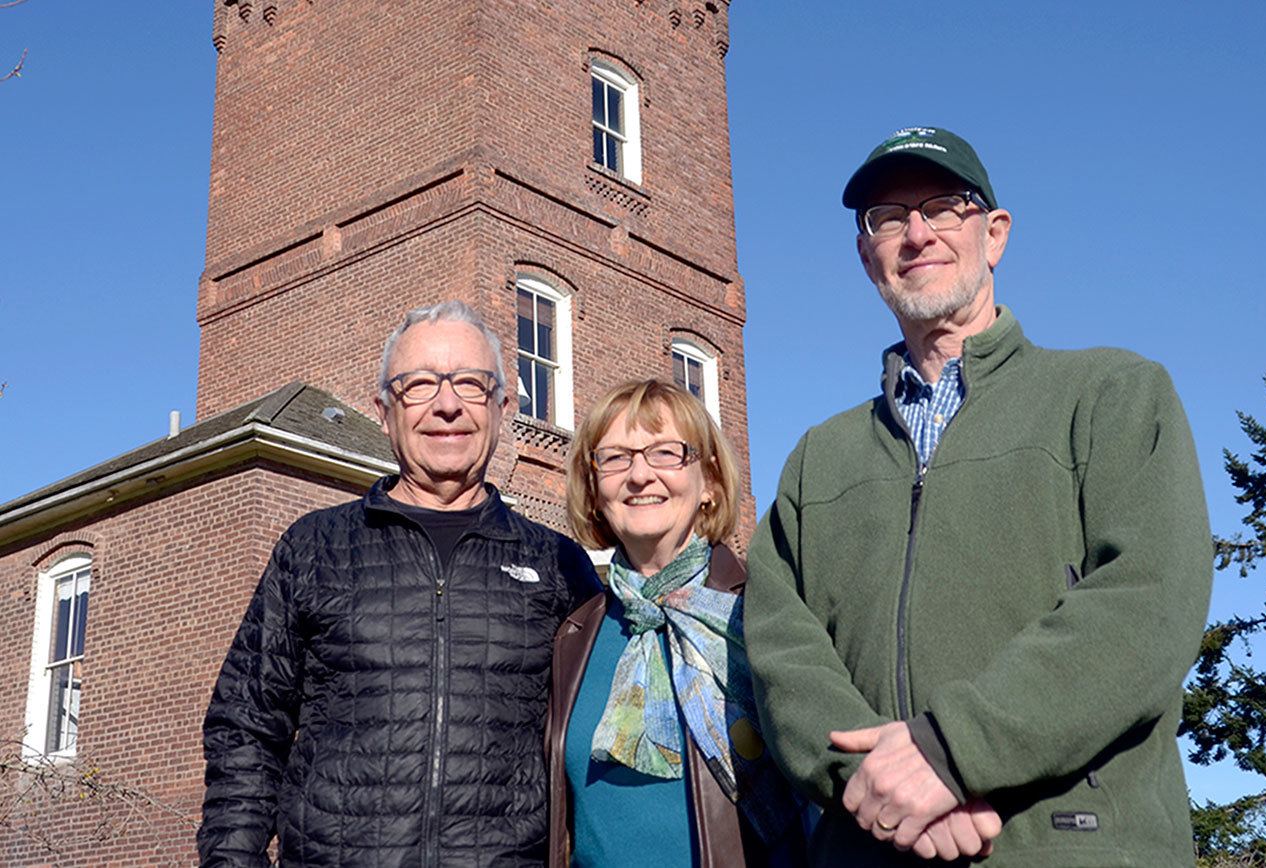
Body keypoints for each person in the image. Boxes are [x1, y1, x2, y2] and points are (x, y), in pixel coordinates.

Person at [745, 127, 1212, 866]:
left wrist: (950, 752)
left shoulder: (1112, 394)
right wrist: (877, 782)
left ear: (994, 235)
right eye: (887, 217)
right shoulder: (816, 460)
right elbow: (778, 646)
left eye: (943, 206)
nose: (916, 232)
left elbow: (1149, 600)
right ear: (866, 255)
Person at [198, 300, 599, 866]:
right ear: (384, 411)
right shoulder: (315, 547)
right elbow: (247, 724)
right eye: (419, 385)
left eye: (470, 383)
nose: (447, 405)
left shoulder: (559, 564)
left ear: (502, 406)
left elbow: (593, 747)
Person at [548, 379, 804, 867]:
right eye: (616, 457)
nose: (640, 475)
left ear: (708, 482)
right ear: (594, 489)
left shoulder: (763, 615)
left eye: (666, 453)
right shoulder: (574, 638)